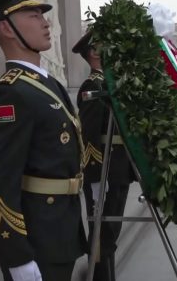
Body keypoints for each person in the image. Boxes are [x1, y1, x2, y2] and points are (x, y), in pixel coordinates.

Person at [0, 0, 86, 281]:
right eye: (33, 16)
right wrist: (18, 257)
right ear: (6, 28)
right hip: (38, 239)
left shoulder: (47, 84)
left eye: (43, 16)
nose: (45, 23)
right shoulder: (11, 93)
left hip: (60, 229)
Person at [73, 31, 136, 281]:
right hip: (106, 171)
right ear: (94, 53)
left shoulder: (108, 84)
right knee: (102, 236)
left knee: (110, 234)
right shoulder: (93, 87)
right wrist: (97, 178)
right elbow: (89, 137)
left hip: (118, 169)